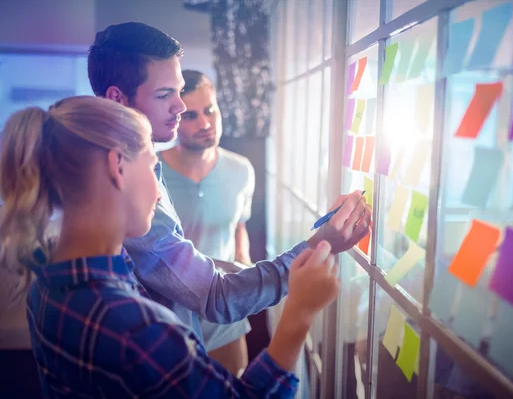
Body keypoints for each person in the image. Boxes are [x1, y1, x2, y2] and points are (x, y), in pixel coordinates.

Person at [0, 95, 341, 397]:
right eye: (152, 166)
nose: (160, 191)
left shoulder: (45, 279)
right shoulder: (140, 331)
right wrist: (300, 313)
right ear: (117, 167)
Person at [87, 21, 372, 346]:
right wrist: (321, 245)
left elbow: (189, 261)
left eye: (179, 91)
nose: (180, 107)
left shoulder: (148, 164)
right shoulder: (122, 183)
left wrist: (242, 268)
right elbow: (214, 296)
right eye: (165, 94)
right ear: (118, 98)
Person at [159, 70, 254, 375]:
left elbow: (239, 226)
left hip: (225, 308)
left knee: (234, 386)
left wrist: (244, 264)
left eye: (210, 110)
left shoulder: (242, 170)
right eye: (191, 116)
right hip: (169, 314)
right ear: (174, 119)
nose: (205, 123)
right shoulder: (151, 172)